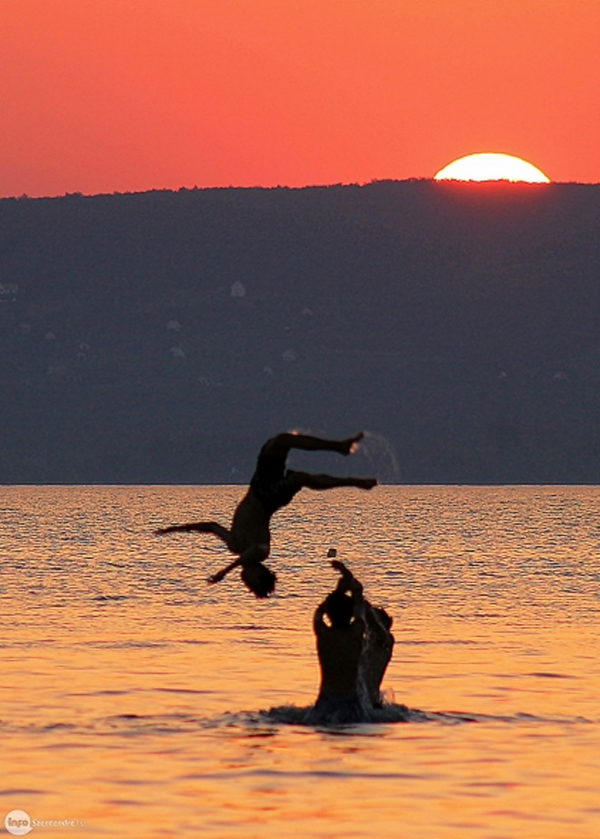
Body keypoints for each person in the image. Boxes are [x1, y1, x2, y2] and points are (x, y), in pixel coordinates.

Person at [154, 432, 377, 597]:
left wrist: (175, 529)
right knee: (300, 478)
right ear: (259, 574)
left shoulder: (234, 544)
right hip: (270, 498)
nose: (246, 583)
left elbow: (211, 527)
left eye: (248, 585)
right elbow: (249, 554)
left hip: (258, 486)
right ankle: (355, 482)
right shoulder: (262, 552)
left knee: (281, 441)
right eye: (252, 583)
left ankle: (339, 446)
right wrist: (225, 571)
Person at [307, 558, 395, 724]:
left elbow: (323, 612)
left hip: (330, 700)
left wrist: (341, 591)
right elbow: (361, 612)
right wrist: (354, 591)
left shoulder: (384, 641)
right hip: (355, 703)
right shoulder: (357, 636)